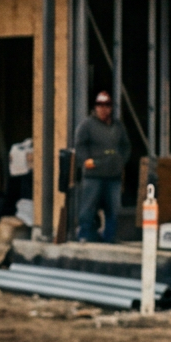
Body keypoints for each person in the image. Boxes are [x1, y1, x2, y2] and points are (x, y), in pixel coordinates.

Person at [70, 89, 129, 243]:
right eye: (100, 105)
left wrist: (120, 161)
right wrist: (86, 160)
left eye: (107, 105)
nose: (103, 108)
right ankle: (85, 235)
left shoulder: (117, 126)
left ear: (111, 107)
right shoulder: (87, 125)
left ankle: (110, 237)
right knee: (88, 207)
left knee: (113, 209)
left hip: (113, 176)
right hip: (93, 175)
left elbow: (126, 146)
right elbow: (80, 145)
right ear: (95, 107)